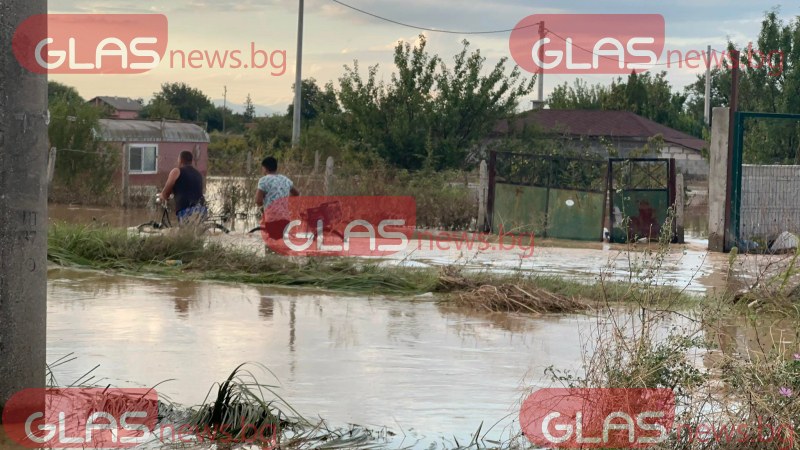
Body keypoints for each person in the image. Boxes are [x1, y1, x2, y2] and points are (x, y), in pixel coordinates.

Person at [255, 156, 300, 241]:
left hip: (271, 219)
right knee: (282, 244)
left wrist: (263, 210)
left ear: (265, 168)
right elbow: (296, 193)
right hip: (285, 218)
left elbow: (258, 201)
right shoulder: (285, 179)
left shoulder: (263, 180)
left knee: (271, 245)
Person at [159, 151, 207, 225]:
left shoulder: (176, 171)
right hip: (202, 210)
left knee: (184, 234)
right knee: (196, 233)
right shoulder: (198, 174)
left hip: (187, 211)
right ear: (191, 161)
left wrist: (162, 196)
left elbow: (166, 193)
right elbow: (189, 188)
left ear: (180, 160)